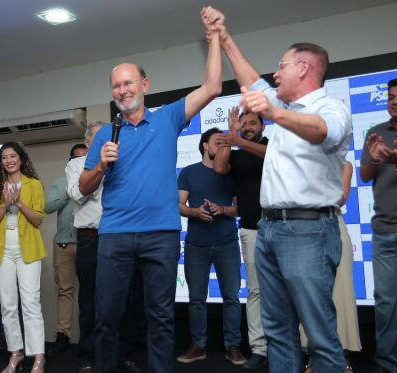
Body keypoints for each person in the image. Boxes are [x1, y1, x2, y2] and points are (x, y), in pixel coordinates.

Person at [206, 8, 352, 372]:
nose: (275, 73)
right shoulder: (282, 105)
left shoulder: (330, 107)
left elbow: (321, 131)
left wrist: (273, 113)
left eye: (282, 65)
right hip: (269, 229)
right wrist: (223, 36)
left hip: (308, 229)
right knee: (277, 331)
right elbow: (250, 78)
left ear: (303, 67)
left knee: (318, 333)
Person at [78, 7, 223, 372]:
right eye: (116, 85)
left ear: (145, 85)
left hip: (161, 233)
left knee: (160, 316)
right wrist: (100, 165)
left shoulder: (169, 117)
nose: (122, 90)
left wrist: (215, 40)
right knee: (107, 316)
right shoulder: (104, 135)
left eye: (129, 83)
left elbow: (213, 88)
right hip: (115, 236)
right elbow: (82, 187)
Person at [67, 122, 141, 373]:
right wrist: (99, 168)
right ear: (89, 142)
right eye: (99, 137)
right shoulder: (75, 165)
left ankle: (125, 355)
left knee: (125, 299)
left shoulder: (122, 161)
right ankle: (88, 356)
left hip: (121, 237)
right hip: (90, 238)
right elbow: (78, 195)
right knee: (90, 299)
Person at [176, 128, 243, 366]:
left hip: (227, 243)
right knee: (196, 299)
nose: (223, 145)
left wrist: (222, 209)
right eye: (218, 141)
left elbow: (240, 208)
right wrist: (195, 212)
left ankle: (233, 347)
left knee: (232, 297)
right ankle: (198, 346)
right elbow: (179, 205)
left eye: (226, 142)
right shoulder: (189, 172)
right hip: (196, 245)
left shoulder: (232, 173)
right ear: (205, 145)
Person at [0, 142, 47, 373]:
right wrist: (5, 204)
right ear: (0, 162)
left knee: (31, 304)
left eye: (13, 156)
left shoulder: (34, 184)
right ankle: (16, 354)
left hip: (28, 249)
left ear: (21, 159)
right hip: (2, 250)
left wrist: (19, 203)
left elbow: (38, 219)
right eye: (4, 157)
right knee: (8, 306)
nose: (9, 160)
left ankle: (38, 357)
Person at [214, 108, 268, 370]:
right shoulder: (238, 152)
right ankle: (259, 348)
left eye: (252, 123)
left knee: (288, 291)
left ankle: (291, 345)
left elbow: (272, 157)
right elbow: (219, 166)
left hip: (281, 228)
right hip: (250, 229)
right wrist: (231, 133)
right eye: (243, 123)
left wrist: (240, 140)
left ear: (263, 126)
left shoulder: (272, 145)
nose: (248, 126)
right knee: (256, 291)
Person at [301, 160, 362, 373]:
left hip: (334, 226)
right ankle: (312, 356)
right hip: (303, 230)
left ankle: (342, 355)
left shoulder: (344, 165)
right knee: (309, 297)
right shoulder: (300, 162)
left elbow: (341, 198)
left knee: (341, 294)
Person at [360, 78, 397, 373]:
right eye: (391, 97)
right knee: (385, 302)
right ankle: (387, 362)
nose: (394, 101)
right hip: (384, 231)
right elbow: (363, 175)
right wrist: (374, 160)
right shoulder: (376, 133)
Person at [45, 143, 87, 356]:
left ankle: (92, 338)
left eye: (84, 157)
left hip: (90, 244)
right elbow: (47, 207)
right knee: (65, 291)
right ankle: (63, 336)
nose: (79, 161)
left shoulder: (96, 181)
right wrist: (69, 191)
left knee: (92, 292)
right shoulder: (61, 182)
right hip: (63, 244)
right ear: (69, 161)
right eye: (75, 158)